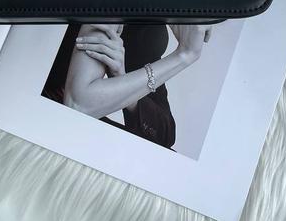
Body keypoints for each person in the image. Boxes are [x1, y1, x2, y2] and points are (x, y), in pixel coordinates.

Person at [42, 22, 212, 149]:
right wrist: (185, 55)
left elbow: (165, 135)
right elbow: (78, 105)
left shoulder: (150, 31)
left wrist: (121, 78)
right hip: (42, 101)